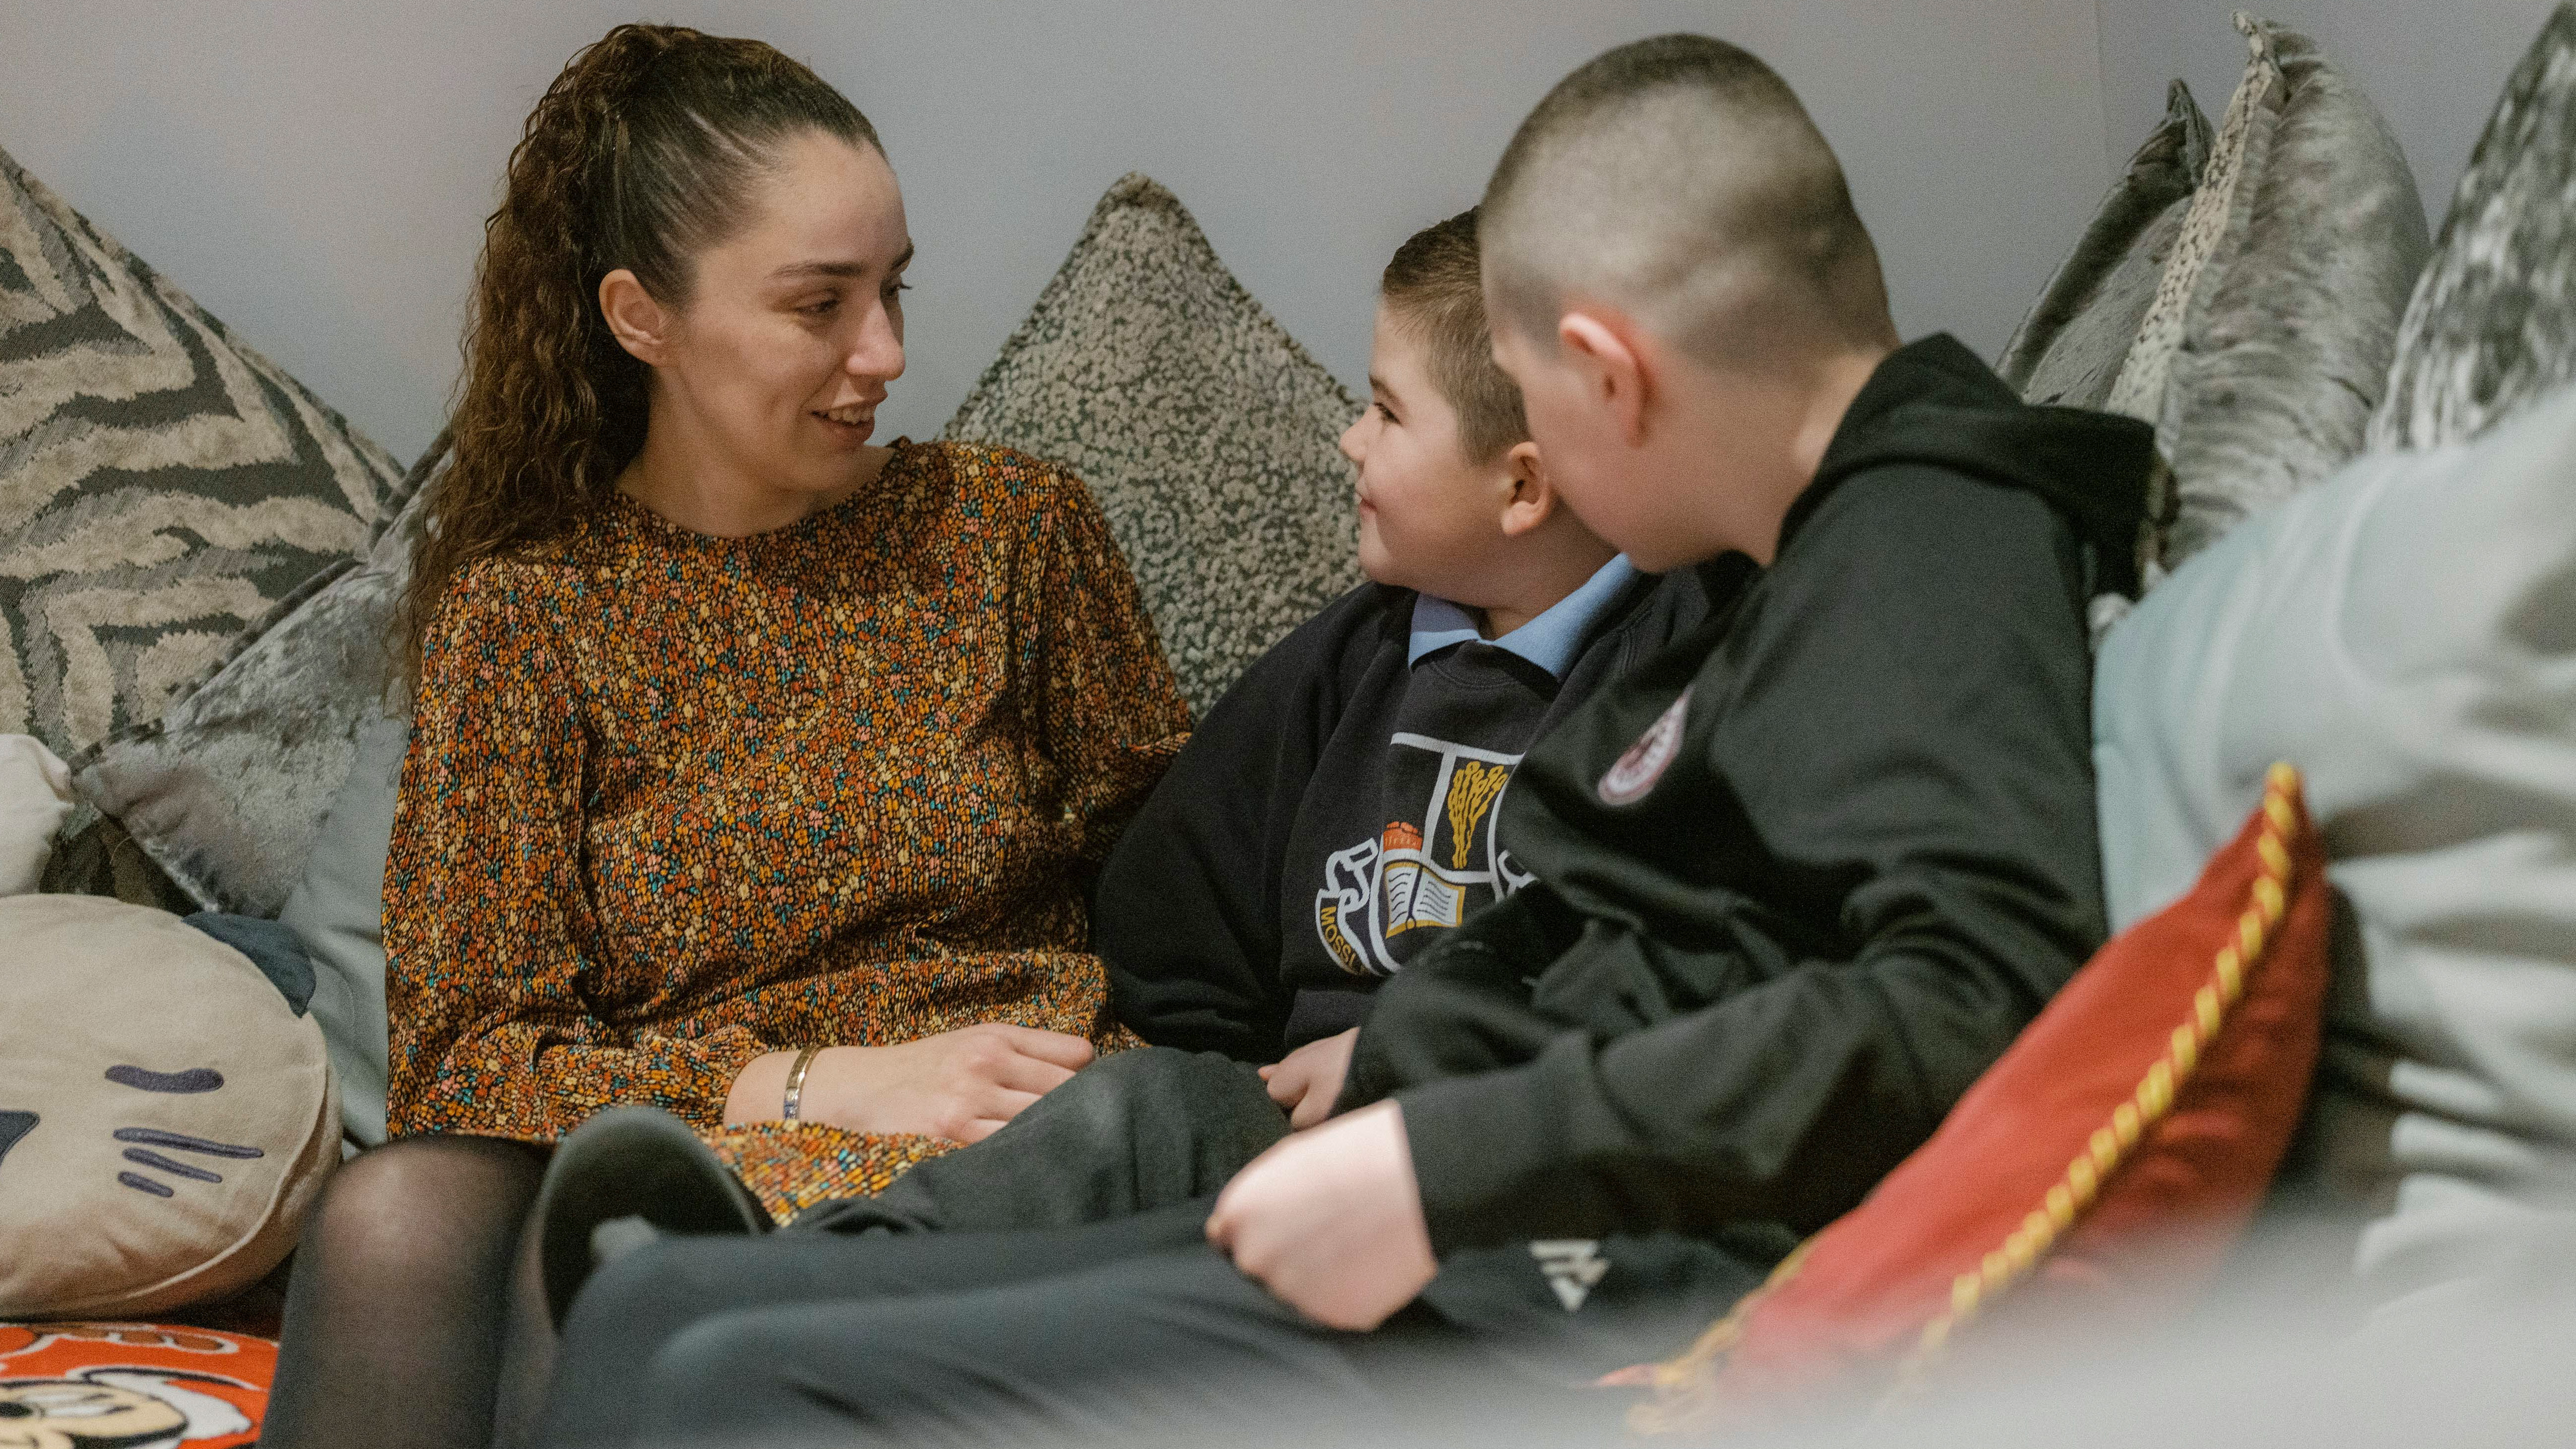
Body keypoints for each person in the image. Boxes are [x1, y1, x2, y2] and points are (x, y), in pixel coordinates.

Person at [533, 32, 2157, 1447]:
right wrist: (1404, 1076)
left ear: (1602, 373)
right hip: (1496, 1199)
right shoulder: (1785, 554)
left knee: (710, 1362)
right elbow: (1674, 944)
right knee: (658, 1309)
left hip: (1591, 1279)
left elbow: (1978, 995)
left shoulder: (1925, 541)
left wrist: (1441, 1155)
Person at [257, 24, 1189, 1449]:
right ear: (642, 316)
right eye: (819, 304)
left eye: (892, 290)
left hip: (1004, 1131)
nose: (882, 352)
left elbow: (1193, 876)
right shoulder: (530, 612)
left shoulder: (1013, 529)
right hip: (702, 1136)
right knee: (402, 1205)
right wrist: (818, 1082)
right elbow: (464, 1058)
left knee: (617, 1260)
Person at [520, 208, 1745, 1275]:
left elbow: (1722, 955)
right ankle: (777, 1277)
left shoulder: (1701, 668)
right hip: (1290, 1140)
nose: (1348, 440)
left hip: (1538, 1124)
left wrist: (1422, 1055)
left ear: (1521, 488)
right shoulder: (1342, 671)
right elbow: (1168, 926)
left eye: (1382, 411)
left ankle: (754, 1290)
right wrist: (1254, 1085)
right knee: (1150, 1108)